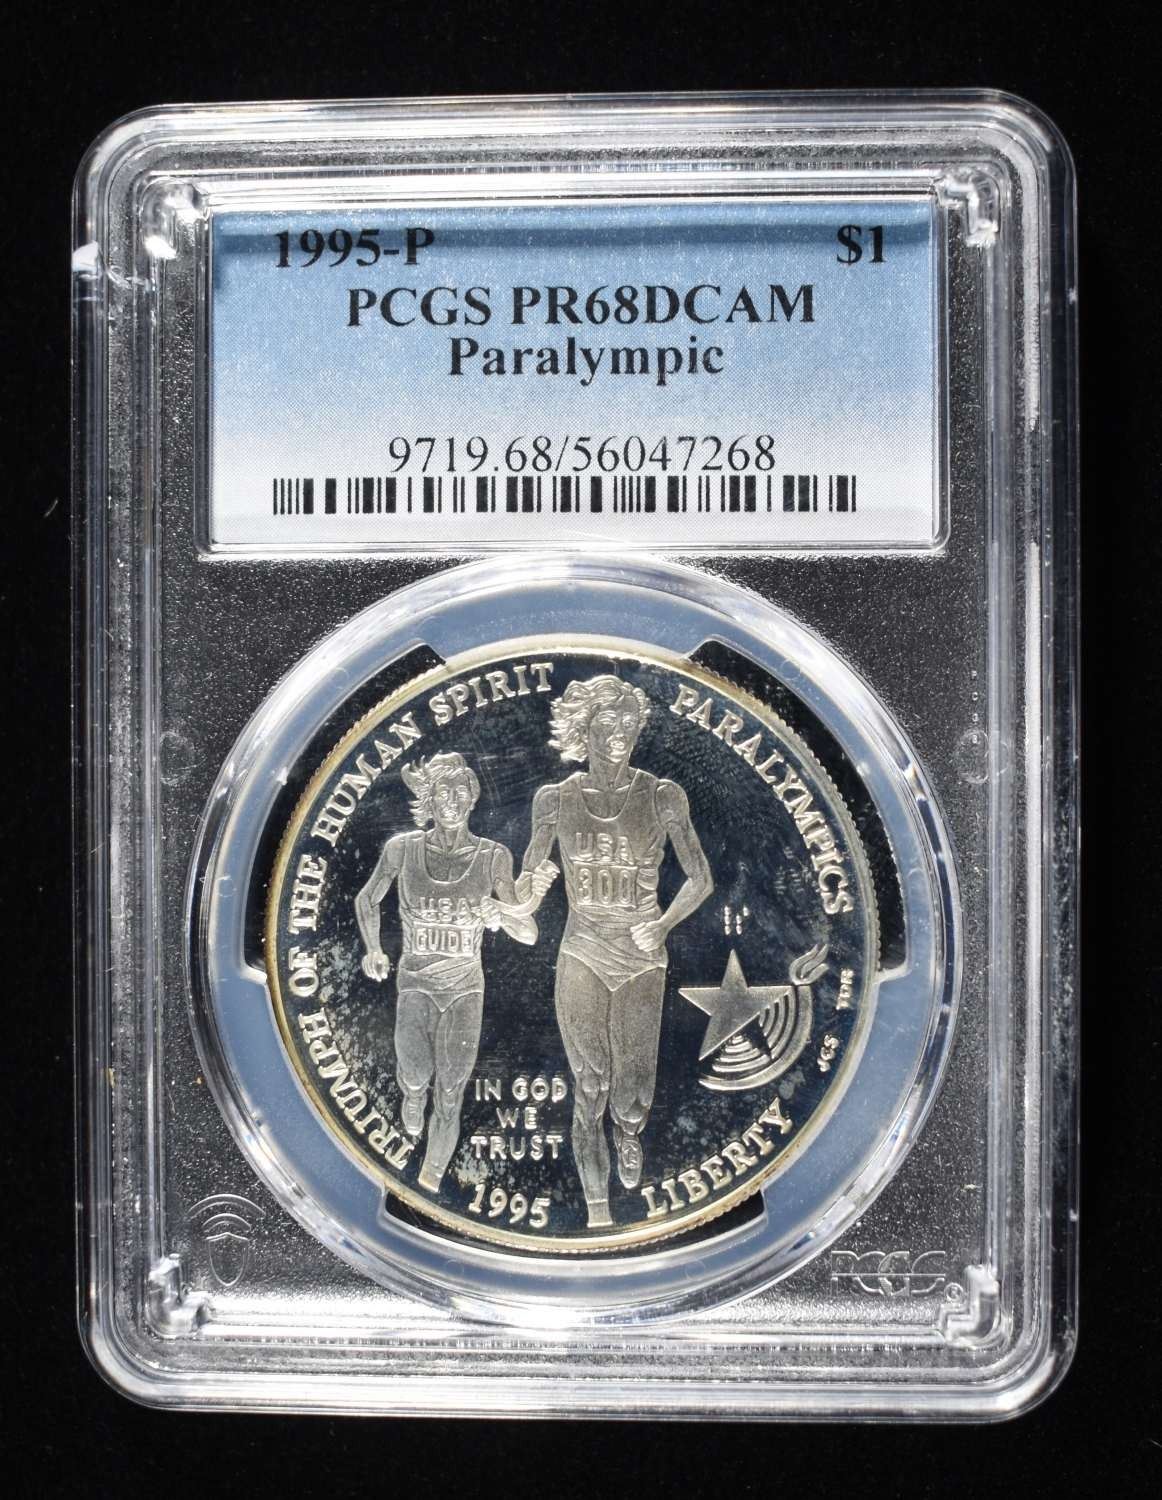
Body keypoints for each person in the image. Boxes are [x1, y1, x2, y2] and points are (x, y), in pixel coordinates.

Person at [516, 676, 713, 1227]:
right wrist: (530, 888)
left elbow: (700, 878)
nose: (621, 731)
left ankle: (628, 1132)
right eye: (608, 721)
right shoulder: (554, 800)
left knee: (630, 1094)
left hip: (642, 957)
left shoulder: (663, 795)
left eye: (629, 722)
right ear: (586, 729)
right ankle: (597, 1209)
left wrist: (664, 925)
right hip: (580, 951)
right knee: (590, 1083)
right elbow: (527, 880)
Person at [355, 752, 552, 1193]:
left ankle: (430, 1178)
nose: (453, 800)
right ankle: (412, 1095)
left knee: (450, 1092)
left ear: (472, 798)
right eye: (444, 791)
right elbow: (367, 899)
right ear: (429, 798)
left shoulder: (493, 856)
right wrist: (373, 949)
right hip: (415, 985)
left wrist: (499, 912)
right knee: (415, 1075)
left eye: (462, 791)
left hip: (465, 990)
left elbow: (529, 932)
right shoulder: (402, 849)